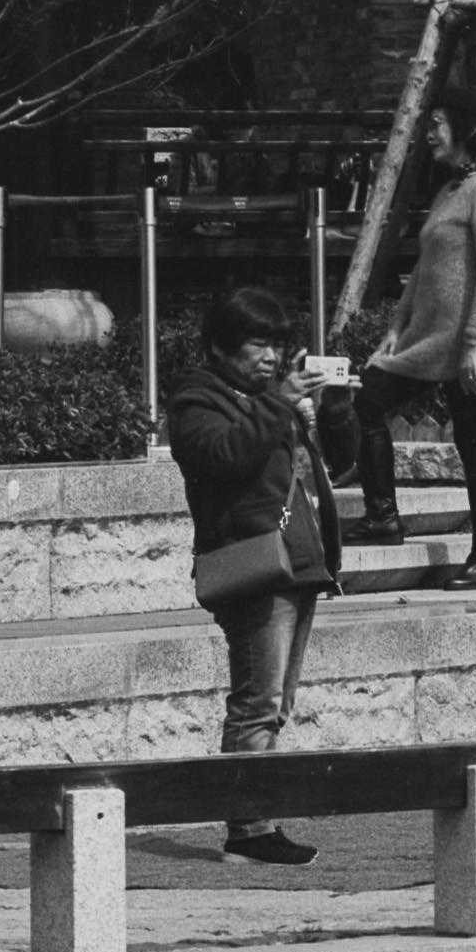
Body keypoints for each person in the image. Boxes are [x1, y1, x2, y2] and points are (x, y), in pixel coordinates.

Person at [166, 283, 336, 862]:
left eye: (277, 345)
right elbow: (223, 457)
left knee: (277, 704)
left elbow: (339, 460)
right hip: (250, 566)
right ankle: (248, 829)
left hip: (296, 563)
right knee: (256, 702)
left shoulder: (268, 398)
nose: (270, 357)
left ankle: (257, 819)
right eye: (257, 344)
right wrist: (279, 403)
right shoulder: (197, 399)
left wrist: (334, 409)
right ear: (221, 345)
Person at [355, 94, 476, 581]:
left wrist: (473, 344)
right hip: (430, 340)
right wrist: (395, 330)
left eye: (438, 124)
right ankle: (383, 515)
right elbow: (425, 270)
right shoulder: (451, 189)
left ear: (466, 130)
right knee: (366, 399)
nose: (429, 133)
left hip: (470, 345)